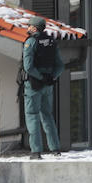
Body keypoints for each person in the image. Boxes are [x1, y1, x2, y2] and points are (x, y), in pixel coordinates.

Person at [21, 16, 63, 160]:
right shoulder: (51, 41)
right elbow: (60, 65)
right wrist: (51, 77)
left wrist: (40, 77)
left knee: (32, 115)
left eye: (29, 25)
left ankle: (36, 151)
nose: (27, 27)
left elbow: (28, 67)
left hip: (34, 84)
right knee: (47, 115)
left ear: (34, 28)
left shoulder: (31, 42)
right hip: (48, 85)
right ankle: (55, 148)